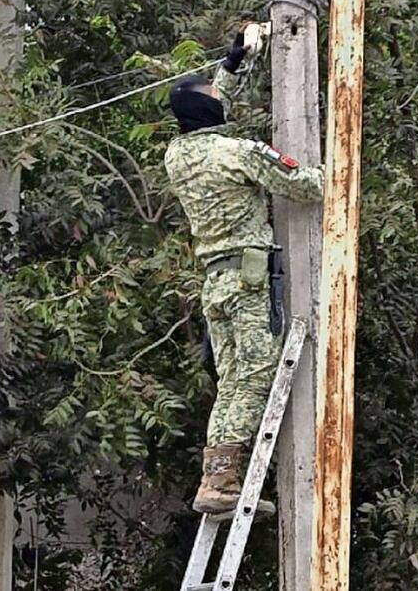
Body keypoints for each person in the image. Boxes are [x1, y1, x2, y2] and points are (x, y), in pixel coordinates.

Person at [164, 29, 323, 514]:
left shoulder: (179, 156)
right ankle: (223, 480)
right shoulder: (239, 154)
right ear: (205, 111)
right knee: (255, 376)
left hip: (216, 281)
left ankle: (216, 480)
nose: (218, 97)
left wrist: (235, 63)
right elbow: (307, 186)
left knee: (231, 380)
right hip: (249, 280)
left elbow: (211, 105)